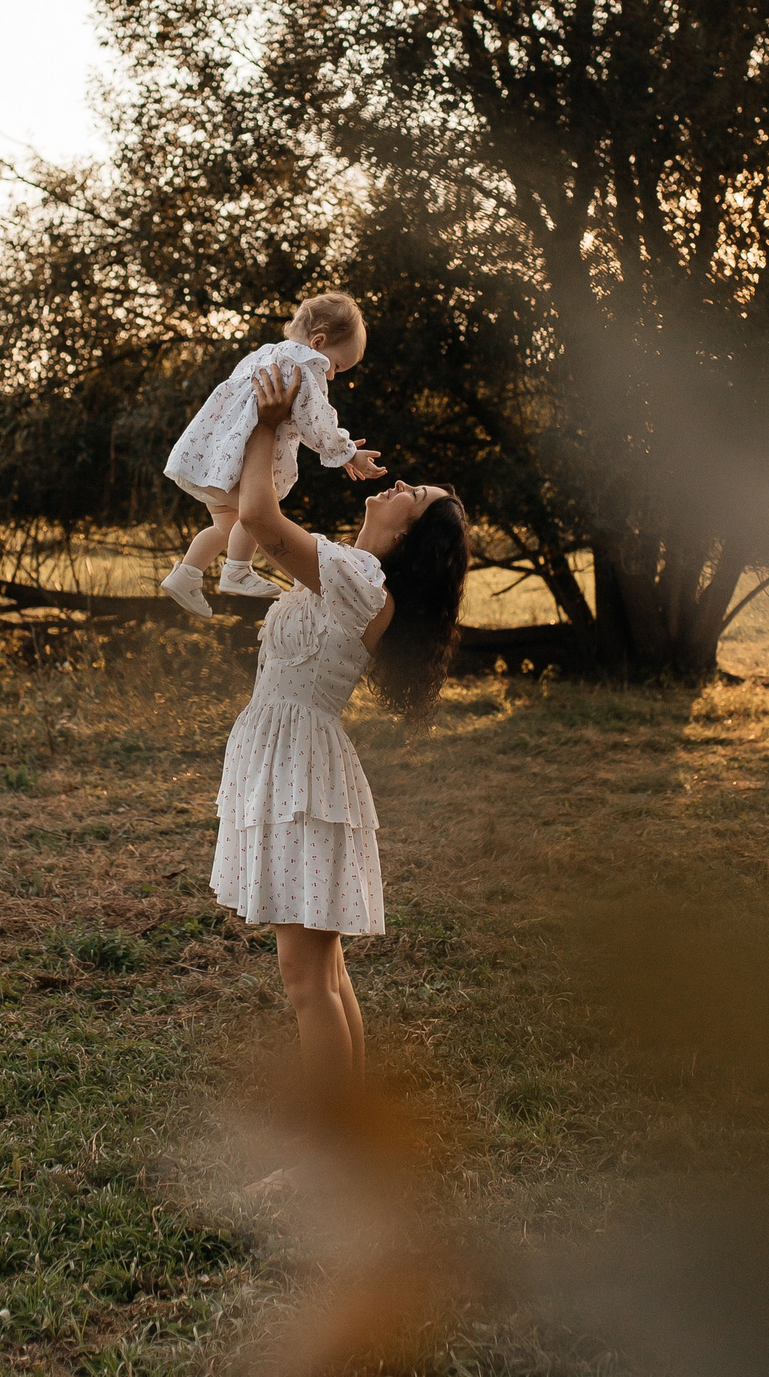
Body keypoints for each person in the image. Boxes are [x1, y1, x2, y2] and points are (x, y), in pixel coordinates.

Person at [211, 362, 468, 1107]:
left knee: (306, 982)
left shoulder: (359, 578)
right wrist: (297, 431)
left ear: (411, 536)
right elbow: (256, 521)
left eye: (410, 496)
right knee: (323, 977)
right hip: (295, 761)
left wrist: (266, 419)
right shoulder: (351, 571)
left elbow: (258, 519)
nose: (394, 487)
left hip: (302, 772)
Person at [159, 293, 388, 616]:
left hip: (212, 457)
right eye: (337, 365)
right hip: (239, 465)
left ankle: (186, 574)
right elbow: (317, 420)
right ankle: (237, 569)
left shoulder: (265, 354)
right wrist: (348, 454)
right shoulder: (305, 366)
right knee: (257, 510)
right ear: (319, 342)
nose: (333, 375)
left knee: (225, 525)